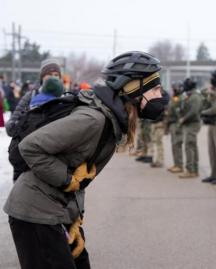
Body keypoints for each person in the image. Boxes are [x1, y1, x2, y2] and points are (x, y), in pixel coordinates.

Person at [3, 51, 168, 269]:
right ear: (132, 88)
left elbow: (79, 171)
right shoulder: (93, 120)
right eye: (155, 89)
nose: (161, 95)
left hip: (56, 210)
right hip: (35, 214)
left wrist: (73, 220)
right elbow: (30, 147)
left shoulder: (110, 120)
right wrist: (67, 180)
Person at [5, 58, 62, 137]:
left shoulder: (66, 97)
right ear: (42, 77)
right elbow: (10, 128)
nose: (53, 78)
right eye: (49, 74)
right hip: (33, 145)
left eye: (56, 75)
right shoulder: (31, 96)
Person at [178, 78, 203, 178]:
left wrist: (184, 118)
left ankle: (190, 170)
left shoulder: (195, 97)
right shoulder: (191, 96)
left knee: (189, 146)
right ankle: (194, 170)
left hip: (192, 124)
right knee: (192, 146)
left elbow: (194, 111)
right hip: (190, 124)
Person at [166, 81, 185, 173]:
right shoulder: (175, 97)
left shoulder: (181, 98)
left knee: (177, 145)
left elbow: (179, 113)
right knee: (174, 145)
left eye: (175, 88)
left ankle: (179, 165)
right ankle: (176, 164)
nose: (173, 90)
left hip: (177, 124)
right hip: (172, 124)